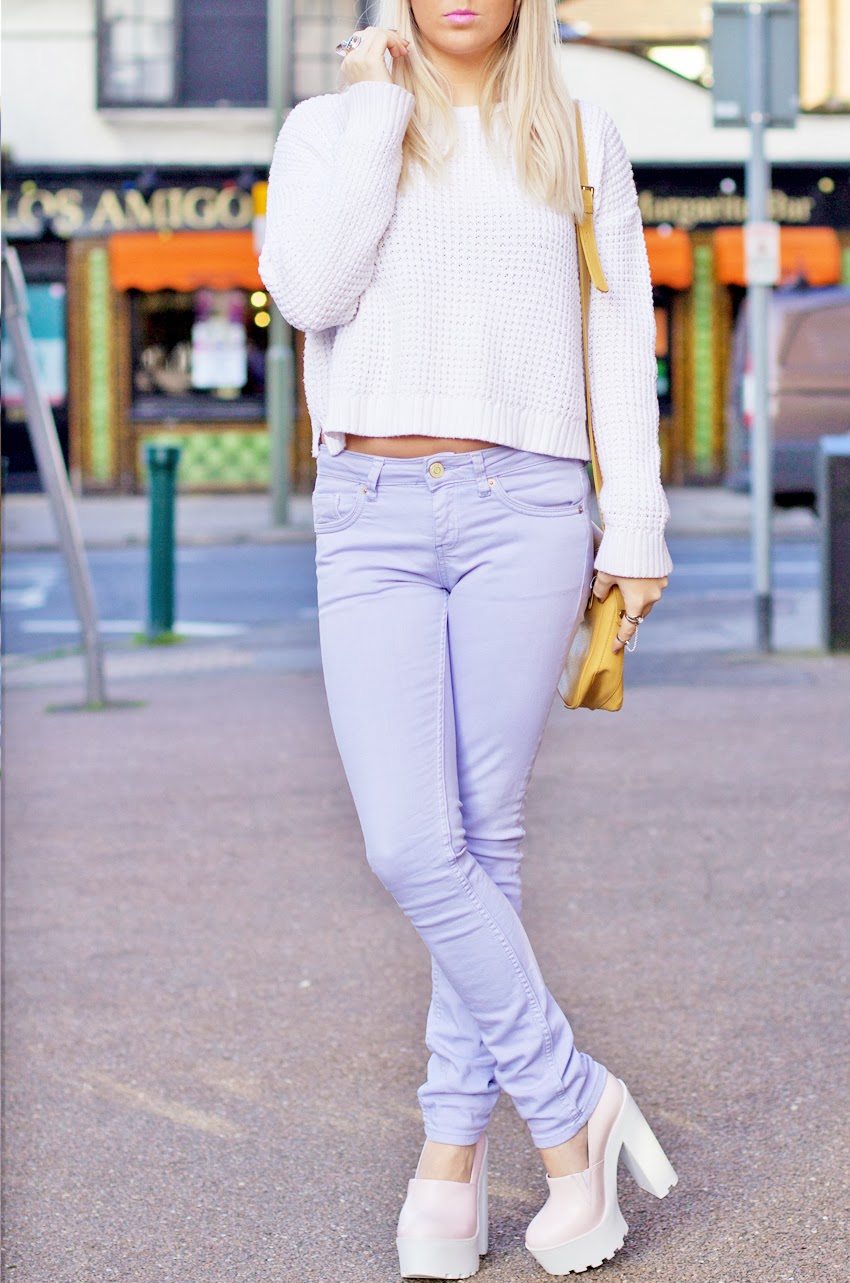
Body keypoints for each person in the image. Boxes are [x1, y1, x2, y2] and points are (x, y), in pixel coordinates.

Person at [259, 1, 677, 1276]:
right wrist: (376, 108)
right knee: (409, 840)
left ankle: (450, 1154)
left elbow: (617, 335)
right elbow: (308, 290)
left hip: (526, 503)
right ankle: (571, 1102)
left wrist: (636, 524)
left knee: (482, 833)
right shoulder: (329, 127)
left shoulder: (579, 134)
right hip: (368, 509)